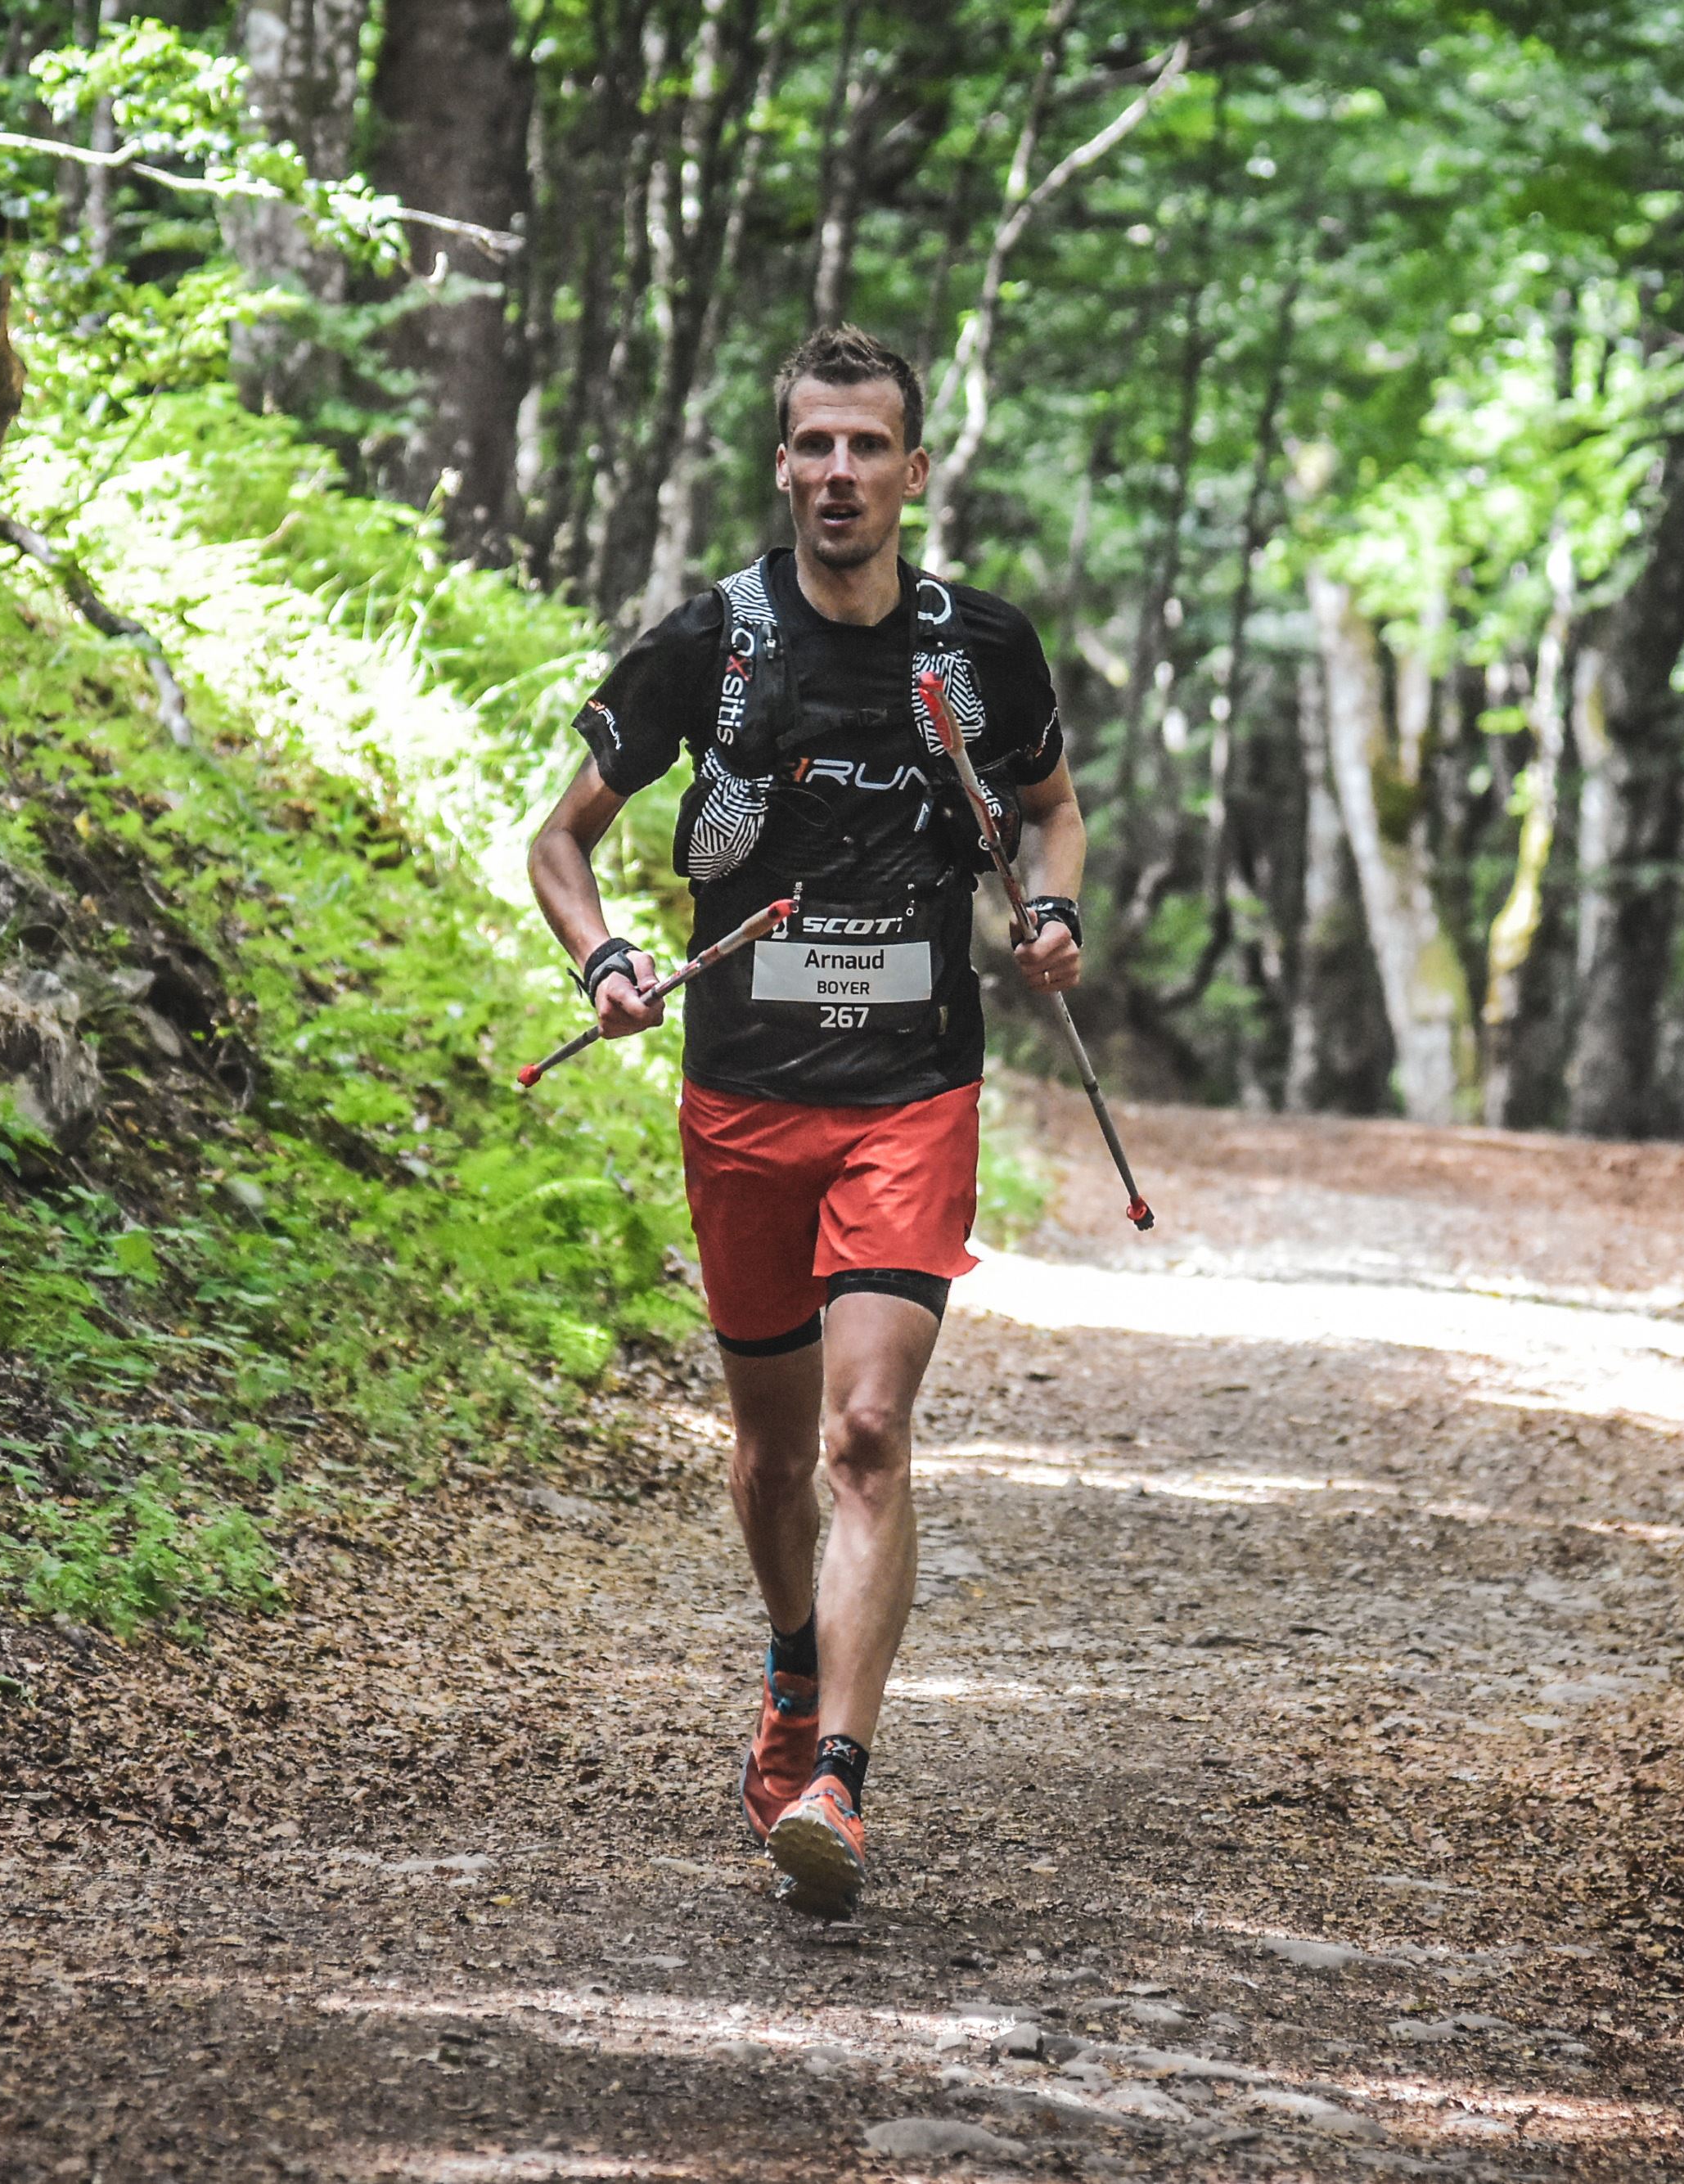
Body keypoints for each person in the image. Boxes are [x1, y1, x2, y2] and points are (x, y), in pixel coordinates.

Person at [527, 324, 1087, 1919]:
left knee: (862, 1432)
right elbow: (557, 847)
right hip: (741, 1096)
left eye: (866, 447)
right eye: (811, 447)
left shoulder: (979, 650)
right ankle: (790, 1668)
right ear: (780, 466)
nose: (836, 473)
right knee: (770, 1458)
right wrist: (611, 959)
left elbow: (1048, 809)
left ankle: (836, 1773)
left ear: (914, 472)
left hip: (911, 1091)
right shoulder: (705, 645)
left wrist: (1048, 918)